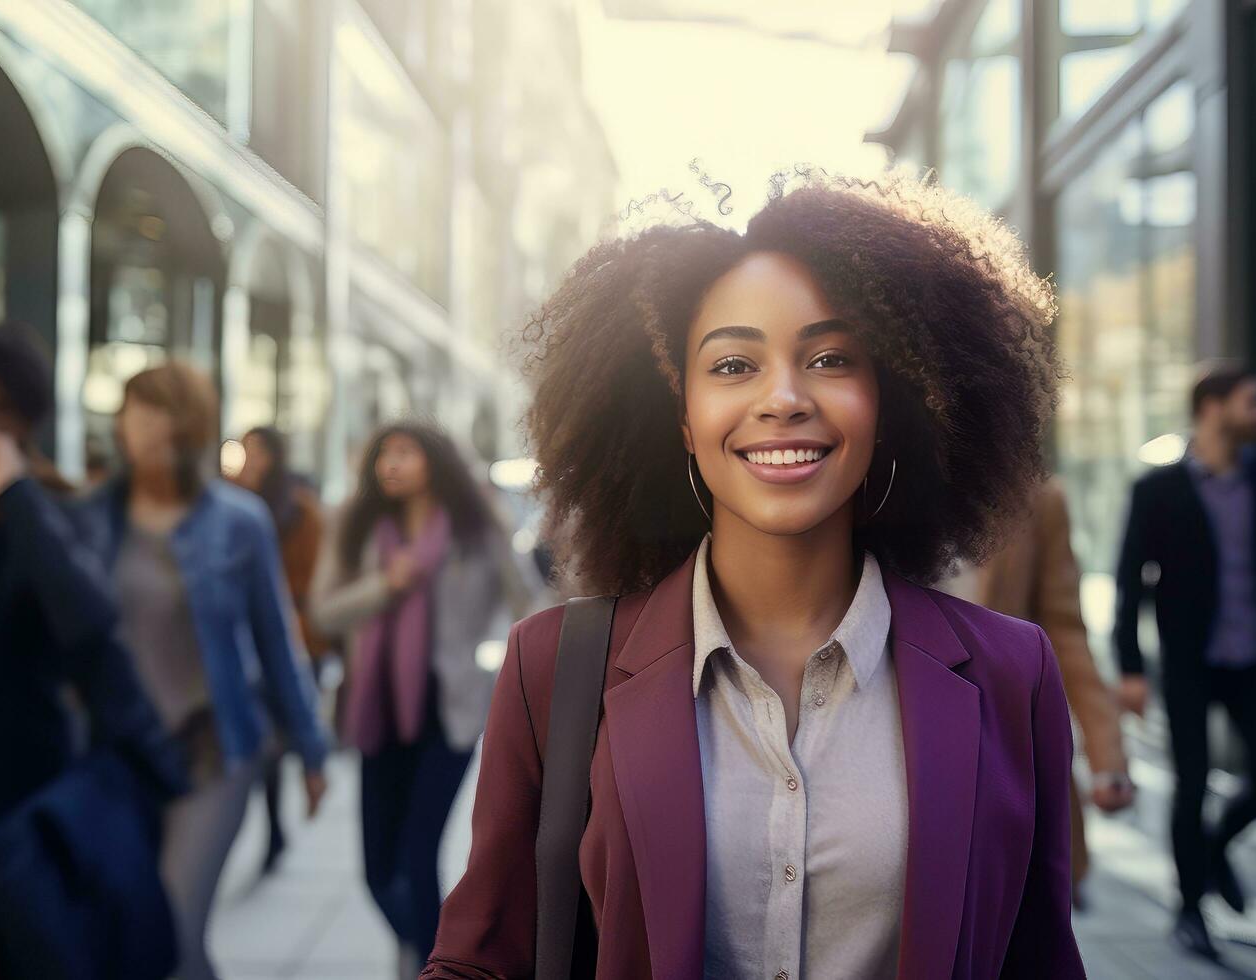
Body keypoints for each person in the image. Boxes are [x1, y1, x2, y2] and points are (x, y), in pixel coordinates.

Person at [425, 171, 1084, 978]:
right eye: (733, 365)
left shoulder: (1013, 676)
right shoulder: (554, 668)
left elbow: (1041, 960)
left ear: (890, 402)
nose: (784, 398)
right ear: (681, 417)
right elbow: (481, 959)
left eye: (831, 357)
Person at [0, 324, 184, 978]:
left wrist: (14, 492)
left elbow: (87, 618)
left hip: (18, 806)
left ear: (21, 418)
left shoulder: (50, 509)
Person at [81, 362, 331, 980]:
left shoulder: (238, 521)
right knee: (126, 932)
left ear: (189, 426)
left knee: (174, 924)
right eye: (133, 411)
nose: (142, 427)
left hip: (213, 748)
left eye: (159, 412)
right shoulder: (89, 516)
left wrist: (311, 751)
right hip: (118, 753)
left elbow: (276, 643)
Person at [310, 420, 530, 978]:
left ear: (435, 460)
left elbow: (528, 603)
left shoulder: (475, 528)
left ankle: (431, 968)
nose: (392, 463)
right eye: (384, 453)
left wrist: (511, 677)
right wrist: (385, 584)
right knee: (376, 871)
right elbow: (323, 611)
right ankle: (438, 958)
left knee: (416, 854)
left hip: (449, 712)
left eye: (406, 451)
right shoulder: (357, 526)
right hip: (376, 709)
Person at [1113, 365, 1256, 959]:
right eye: (1252, 402)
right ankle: (1190, 908)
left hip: (1250, 656)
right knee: (1192, 783)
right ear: (1213, 407)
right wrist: (1128, 666)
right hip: (1188, 660)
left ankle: (1216, 846)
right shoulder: (1158, 490)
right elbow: (1130, 582)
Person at [941, 477, 1132, 899]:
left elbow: (1064, 629)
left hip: (1004, 749)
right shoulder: (878, 482)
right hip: (903, 746)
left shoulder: (1037, 498)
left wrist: (1106, 753)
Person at [232, 424, 328, 873]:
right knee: (267, 743)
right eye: (244, 451)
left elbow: (311, 581)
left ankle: (276, 824)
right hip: (240, 640)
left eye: (257, 452)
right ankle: (272, 825)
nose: (250, 460)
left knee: (282, 736)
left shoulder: (301, 510)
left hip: (291, 636)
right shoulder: (227, 501)